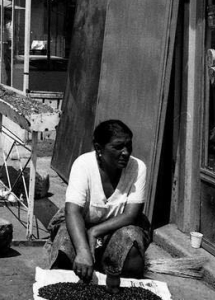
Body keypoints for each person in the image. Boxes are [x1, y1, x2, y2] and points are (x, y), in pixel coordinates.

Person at [44, 119, 149, 293]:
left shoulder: (137, 168)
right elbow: (73, 211)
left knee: (132, 246)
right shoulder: (83, 164)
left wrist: (94, 232)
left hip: (116, 228)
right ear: (99, 149)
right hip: (81, 223)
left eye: (128, 146)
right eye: (118, 147)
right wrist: (83, 250)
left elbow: (131, 215)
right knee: (64, 248)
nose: (125, 152)